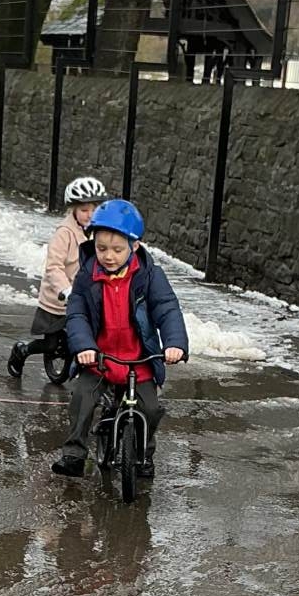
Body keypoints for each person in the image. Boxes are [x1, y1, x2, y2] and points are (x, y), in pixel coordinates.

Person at [52, 198, 188, 480]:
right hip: (99, 358)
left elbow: (167, 309)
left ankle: (143, 454)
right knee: (82, 400)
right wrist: (84, 347)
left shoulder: (149, 276)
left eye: (117, 249)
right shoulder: (87, 276)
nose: (108, 256)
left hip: (139, 359)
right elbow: (77, 314)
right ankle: (74, 455)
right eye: (101, 248)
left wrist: (174, 343)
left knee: (150, 409)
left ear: (134, 246)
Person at [9, 175, 105, 379]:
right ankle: (22, 351)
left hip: (86, 296)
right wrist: (65, 289)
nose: (90, 215)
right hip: (59, 298)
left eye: (94, 209)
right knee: (50, 344)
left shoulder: (99, 232)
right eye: (84, 210)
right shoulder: (64, 233)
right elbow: (53, 267)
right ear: (73, 210)